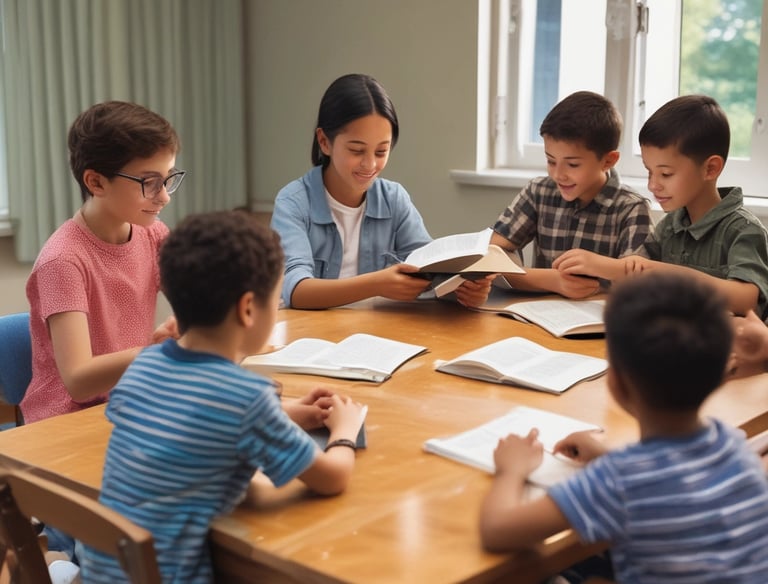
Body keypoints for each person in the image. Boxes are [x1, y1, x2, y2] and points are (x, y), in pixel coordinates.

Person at [79, 210, 367, 582]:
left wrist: (292, 412)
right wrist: (344, 430)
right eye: (275, 300)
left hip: (102, 572)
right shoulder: (247, 398)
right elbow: (331, 479)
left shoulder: (146, 363)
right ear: (248, 308)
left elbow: (193, 418)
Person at [479, 272, 768, 582]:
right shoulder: (734, 445)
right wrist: (606, 456)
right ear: (724, 373)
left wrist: (512, 470)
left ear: (615, 381)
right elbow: (673, 482)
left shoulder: (618, 481)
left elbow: (498, 530)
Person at [22, 101, 185, 426]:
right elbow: (79, 381)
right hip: (65, 423)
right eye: (149, 182)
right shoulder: (63, 260)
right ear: (96, 183)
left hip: (129, 405)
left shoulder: (152, 234)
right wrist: (158, 353)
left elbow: (198, 307)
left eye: (167, 179)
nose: (165, 196)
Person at [271, 73, 491, 309]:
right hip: (315, 336)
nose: (370, 165)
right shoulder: (293, 203)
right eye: (357, 150)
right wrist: (375, 284)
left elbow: (429, 270)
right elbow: (296, 290)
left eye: (380, 152)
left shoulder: (394, 199)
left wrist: (463, 290)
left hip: (378, 335)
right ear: (324, 142)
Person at [553, 95, 768, 319]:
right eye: (649, 171)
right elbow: (637, 272)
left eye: (666, 174)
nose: (652, 184)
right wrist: (600, 267)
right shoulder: (669, 226)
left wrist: (661, 273)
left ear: (711, 168)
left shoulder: (743, 230)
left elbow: (746, 299)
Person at [489, 91, 653, 298]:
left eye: (573, 164)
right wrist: (550, 280)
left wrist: (600, 275)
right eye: (550, 161)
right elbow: (493, 251)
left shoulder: (631, 208)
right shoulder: (539, 191)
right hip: (539, 316)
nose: (558, 175)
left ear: (608, 161)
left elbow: (640, 284)